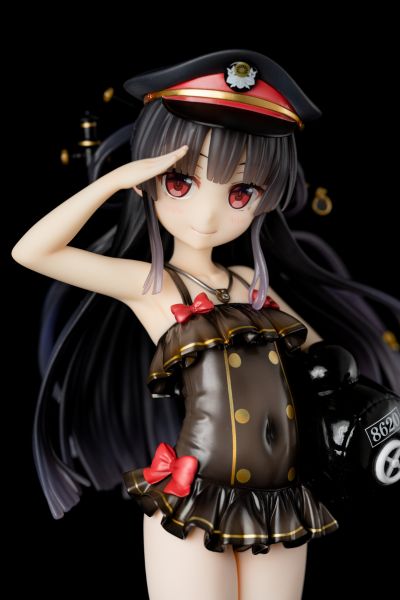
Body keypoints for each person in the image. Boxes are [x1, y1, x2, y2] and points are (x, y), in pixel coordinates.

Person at [11, 50, 400, 600]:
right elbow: (32, 252)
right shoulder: (155, 286)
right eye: (180, 182)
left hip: (282, 501)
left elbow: (325, 363)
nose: (209, 214)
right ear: (150, 179)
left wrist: (358, 404)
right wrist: (117, 180)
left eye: (240, 192)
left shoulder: (250, 283)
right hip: (198, 500)